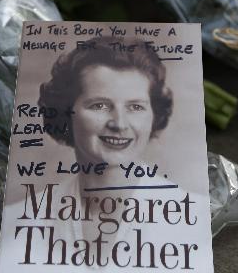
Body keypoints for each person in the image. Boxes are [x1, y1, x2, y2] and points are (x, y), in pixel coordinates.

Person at [38, 36, 173, 187]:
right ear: (66, 111)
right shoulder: (27, 210)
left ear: (154, 116)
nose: (119, 124)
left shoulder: (191, 207)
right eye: (99, 105)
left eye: (136, 107)